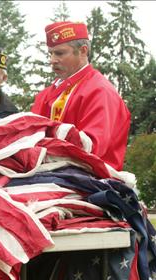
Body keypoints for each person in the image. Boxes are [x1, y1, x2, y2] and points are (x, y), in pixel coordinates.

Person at [31, 21, 130, 171]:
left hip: (90, 181)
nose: (52, 60)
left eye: (59, 53)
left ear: (83, 51)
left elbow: (90, 148)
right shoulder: (44, 95)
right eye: (50, 53)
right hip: (49, 175)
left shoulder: (101, 91)